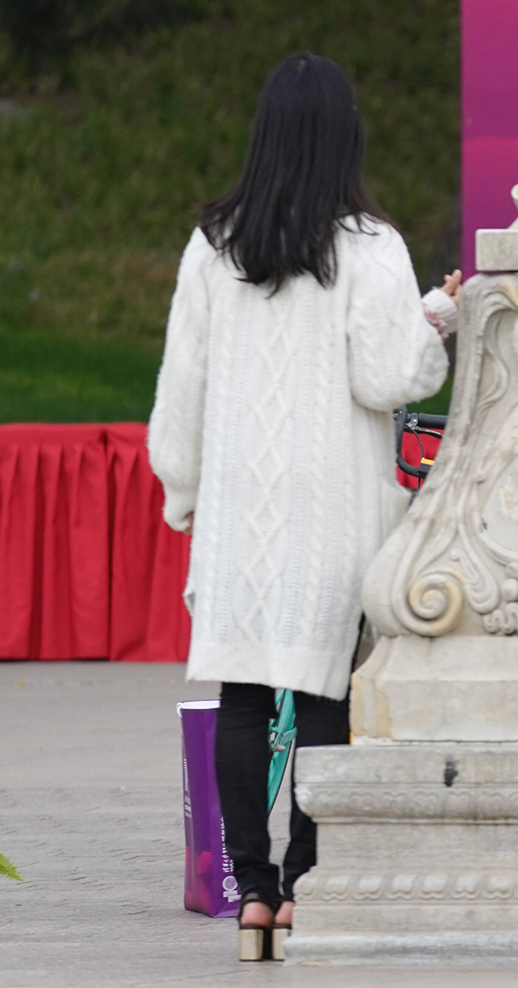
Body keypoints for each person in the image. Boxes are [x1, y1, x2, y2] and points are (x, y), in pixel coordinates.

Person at [147, 52, 456, 962]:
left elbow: (185, 380)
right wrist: (438, 318)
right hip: (336, 503)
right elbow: (389, 375)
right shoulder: (372, 246)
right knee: (326, 696)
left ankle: (253, 892)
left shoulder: (214, 246)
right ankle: (308, 885)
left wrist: (183, 486)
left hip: (245, 501)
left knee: (244, 694)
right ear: (346, 136)